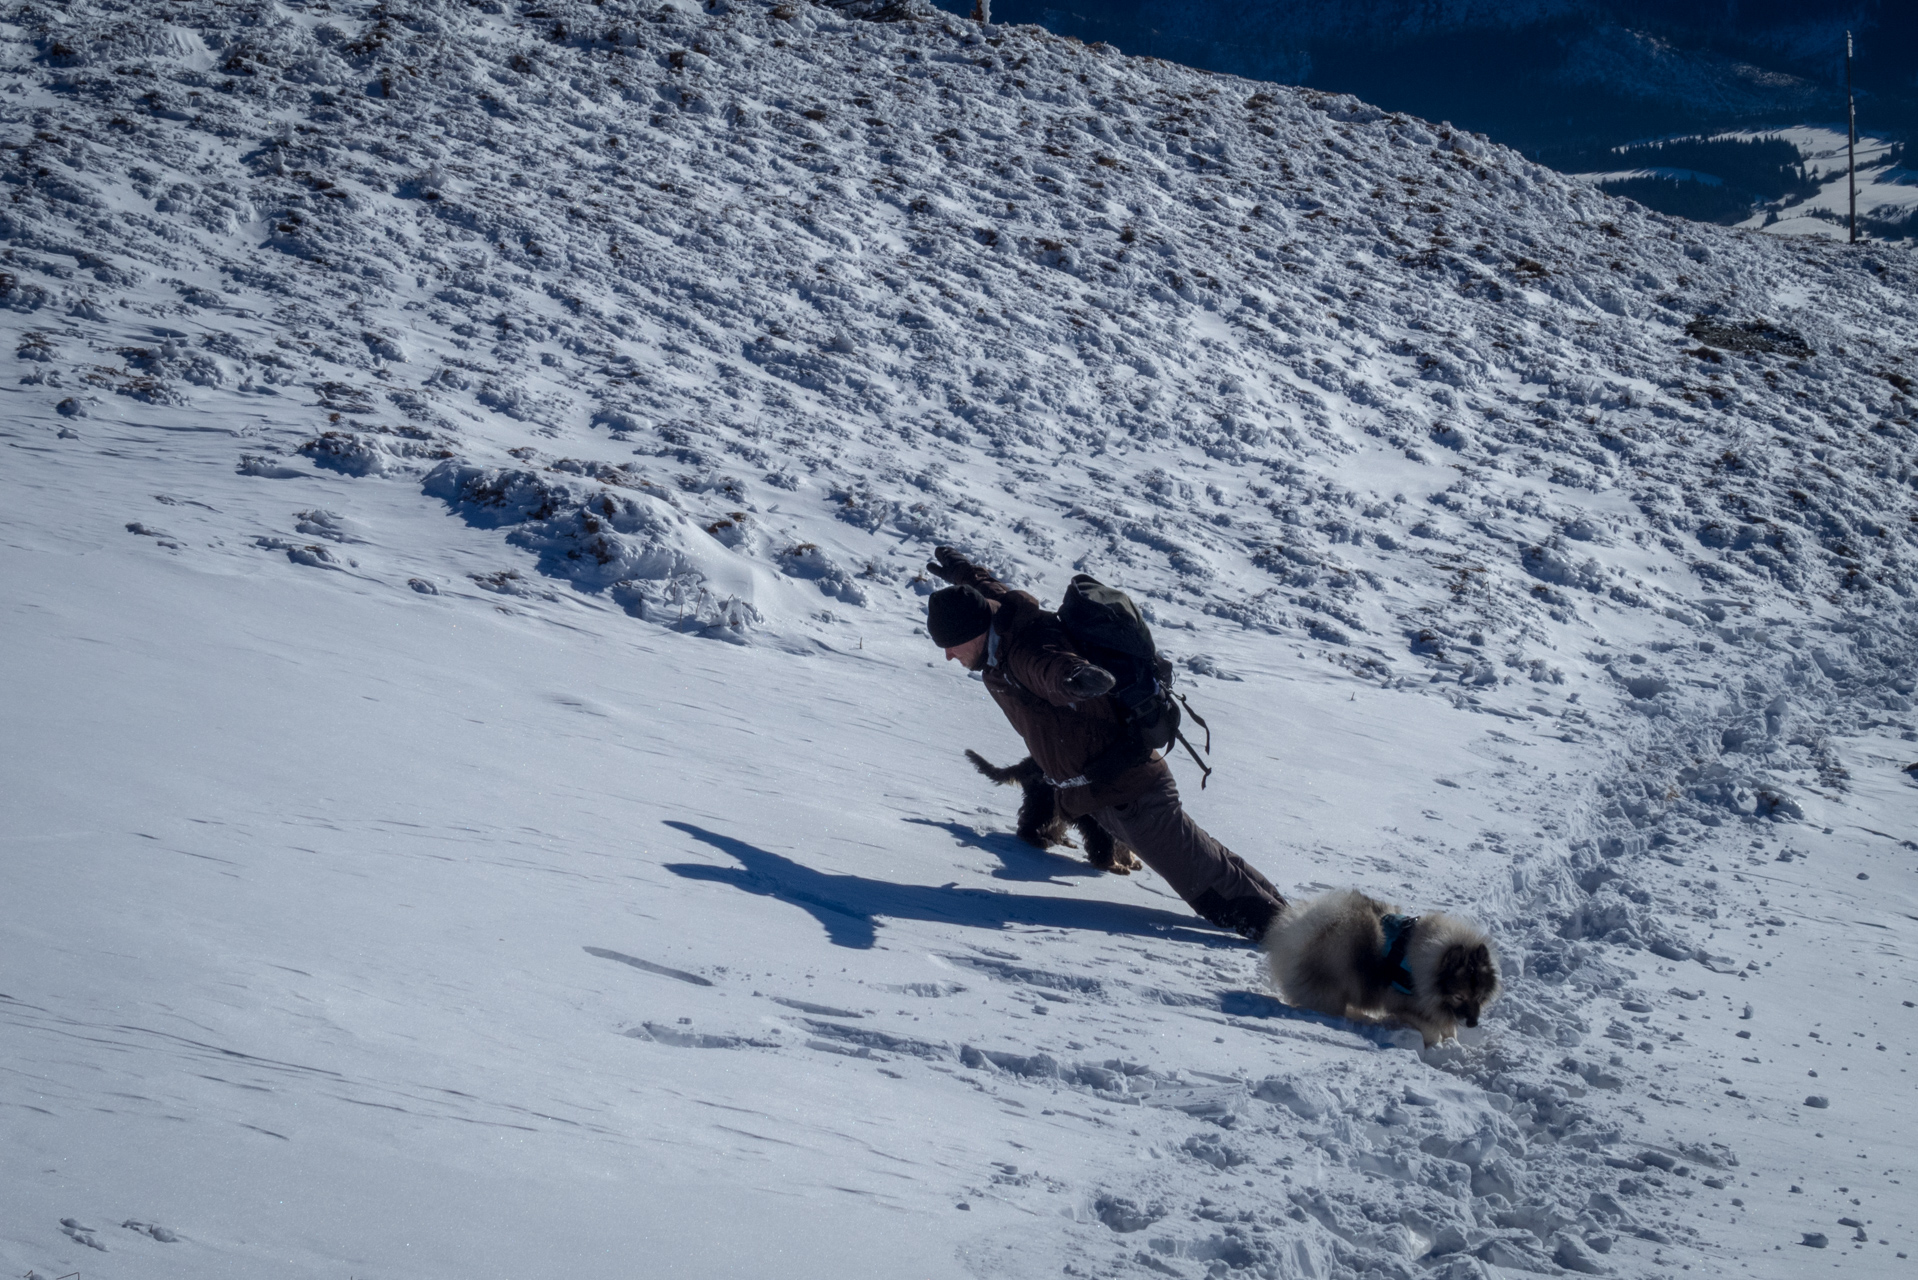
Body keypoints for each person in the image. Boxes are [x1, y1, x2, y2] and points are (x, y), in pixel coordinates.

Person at [924, 547, 1286, 940]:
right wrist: (962, 571)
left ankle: (1292, 939)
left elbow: (1048, 666)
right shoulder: (1002, 621)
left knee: (1208, 884)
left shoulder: (1023, 649)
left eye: (952, 645)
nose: (947, 656)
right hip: (1107, 791)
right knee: (1207, 859)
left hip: (1128, 790)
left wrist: (1073, 678)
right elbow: (989, 590)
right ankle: (1295, 924)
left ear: (976, 632)